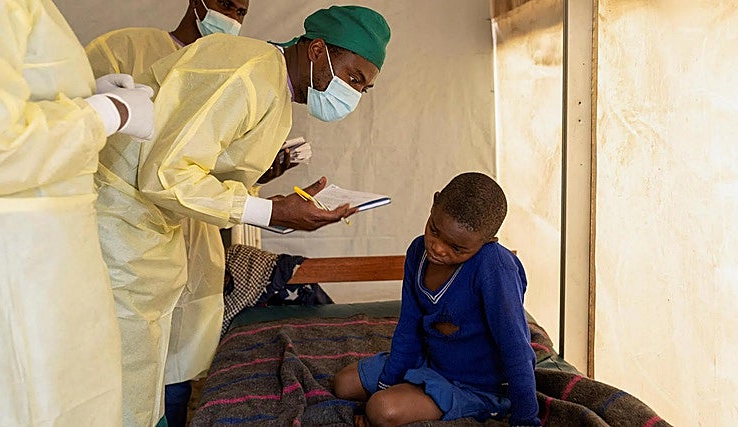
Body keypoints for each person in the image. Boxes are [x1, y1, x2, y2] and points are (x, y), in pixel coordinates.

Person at [91, 5, 391, 426]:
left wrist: (281, 205)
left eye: (365, 88)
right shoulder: (249, 72)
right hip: (119, 225)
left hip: (151, 230)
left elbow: (210, 170)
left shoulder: (275, 90)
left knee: (145, 372)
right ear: (318, 49)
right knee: (117, 378)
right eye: (354, 79)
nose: (354, 94)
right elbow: (166, 172)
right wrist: (268, 211)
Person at [85, 2, 256, 425]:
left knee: (177, 359)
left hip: (189, 235)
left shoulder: (229, 74)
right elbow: (77, 126)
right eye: (224, 3)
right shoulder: (128, 47)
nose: (232, 15)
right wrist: (110, 110)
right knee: (118, 362)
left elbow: (209, 169)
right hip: (121, 232)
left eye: (240, 9)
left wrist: (266, 173)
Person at [0, 0, 154, 425]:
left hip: (48, 254)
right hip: (18, 264)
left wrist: (86, 93)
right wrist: (106, 114)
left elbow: (11, 96)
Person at [333, 172, 542, 427]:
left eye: (457, 248)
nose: (438, 247)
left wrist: (525, 418)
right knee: (343, 385)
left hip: (476, 385)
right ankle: (408, 389)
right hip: (430, 363)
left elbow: (516, 347)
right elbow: (409, 326)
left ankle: (483, 408)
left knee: (381, 410)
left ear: (488, 242)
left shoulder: (493, 266)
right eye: (434, 230)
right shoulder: (417, 251)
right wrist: (389, 381)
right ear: (434, 204)